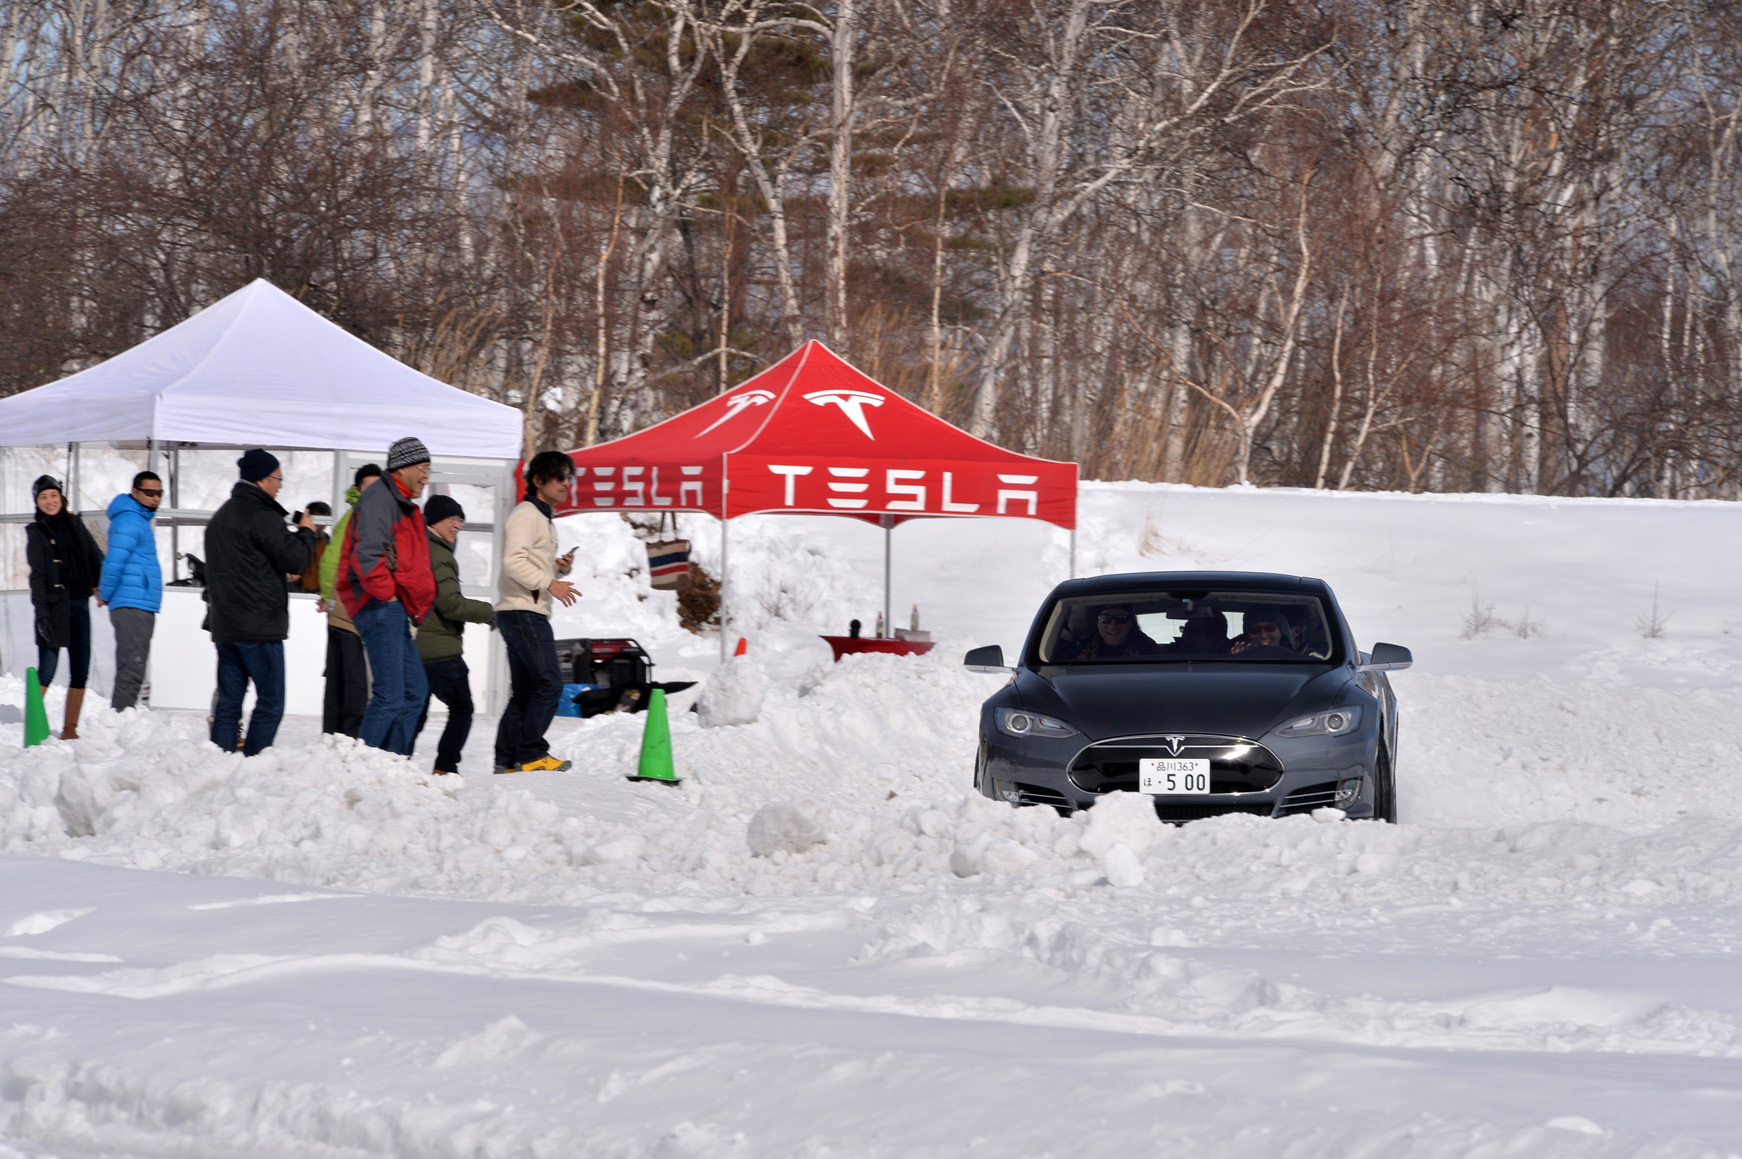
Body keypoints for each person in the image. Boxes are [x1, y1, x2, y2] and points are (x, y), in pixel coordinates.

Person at [204, 449, 317, 755]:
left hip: (226, 626)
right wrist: (306, 533)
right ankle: (253, 761)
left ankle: (220, 762)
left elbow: (246, 567)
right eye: (278, 479)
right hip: (258, 628)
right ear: (264, 479)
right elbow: (295, 559)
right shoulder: (263, 517)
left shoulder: (221, 517)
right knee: (270, 701)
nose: (280, 486)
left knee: (229, 703)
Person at [338, 437, 436, 756]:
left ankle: (390, 765)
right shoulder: (381, 499)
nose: (426, 475)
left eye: (429, 469)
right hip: (379, 606)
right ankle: (361, 769)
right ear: (403, 467)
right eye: (422, 468)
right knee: (391, 695)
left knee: (414, 692)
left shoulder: (401, 502)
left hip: (392, 608)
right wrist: (388, 597)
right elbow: (367, 557)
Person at [493, 450, 580, 775]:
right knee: (550, 684)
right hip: (523, 613)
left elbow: (527, 563)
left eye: (569, 478)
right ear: (539, 480)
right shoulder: (527, 514)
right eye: (560, 477)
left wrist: (556, 570)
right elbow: (512, 562)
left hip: (521, 610)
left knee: (527, 691)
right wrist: (550, 583)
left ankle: (506, 760)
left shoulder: (542, 518)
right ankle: (530, 754)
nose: (566, 484)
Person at [413, 494, 494, 775]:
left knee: (416, 713)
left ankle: (395, 761)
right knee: (462, 707)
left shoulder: (423, 547)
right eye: (453, 519)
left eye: (460, 520)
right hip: (439, 649)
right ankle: (445, 767)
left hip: (419, 646)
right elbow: (451, 604)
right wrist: (489, 613)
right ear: (436, 520)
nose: (458, 526)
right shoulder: (439, 554)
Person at [25, 475, 105, 739]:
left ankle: (70, 729)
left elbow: (94, 557)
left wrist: (100, 586)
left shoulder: (75, 523)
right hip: (54, 608)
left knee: (80, 669)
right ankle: (32, 724)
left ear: (62, 497)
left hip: (80, 605)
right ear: (37, 502)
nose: (50, 501)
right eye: (43, 497)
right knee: (47, 670)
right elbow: (37, 576)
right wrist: (41, 613)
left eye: (53, 495)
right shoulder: (36, 532)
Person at [317, 465, 381, 736]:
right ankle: (347, 741)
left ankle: (334, 739)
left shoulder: (356, 516)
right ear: (358, 489)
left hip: (342, 611)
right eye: (370, 486)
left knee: (339, 682)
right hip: (350, 613)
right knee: (353, 685)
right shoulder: (360, 517)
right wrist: (328, 596)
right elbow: (332, 562)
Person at [99, 471, 164, 713]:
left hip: (138, 601)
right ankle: (118, 722)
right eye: (149, 493)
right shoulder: (131, 520)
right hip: (132, 603)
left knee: (133, 668)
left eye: (159, 493)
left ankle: (122, 720)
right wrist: (105, 594)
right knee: (131, 669)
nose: (155, 498)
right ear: (135, 492)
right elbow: (114, 562)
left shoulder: (136, 519)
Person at [1061, 602, 1159, 660]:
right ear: (1097, 623)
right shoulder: (1078, 651)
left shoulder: (1150, 651)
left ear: (1131, 624)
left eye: (1121, 618)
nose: (1112, 626)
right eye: (1105, 618)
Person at [1230, 606, 1299, 656]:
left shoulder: (1296, 658)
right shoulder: (1232, 656)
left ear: (1279, 633)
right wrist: (1237, 659)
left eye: (1270, 628)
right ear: (1247, 636)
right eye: (1255, 630)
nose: (1263, 635)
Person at [296, 500, 332, 592]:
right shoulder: (298, 540)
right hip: (299, 592)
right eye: (317, 521)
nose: (320, 526)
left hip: (322, 591)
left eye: (324, 522)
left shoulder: (328, 541)